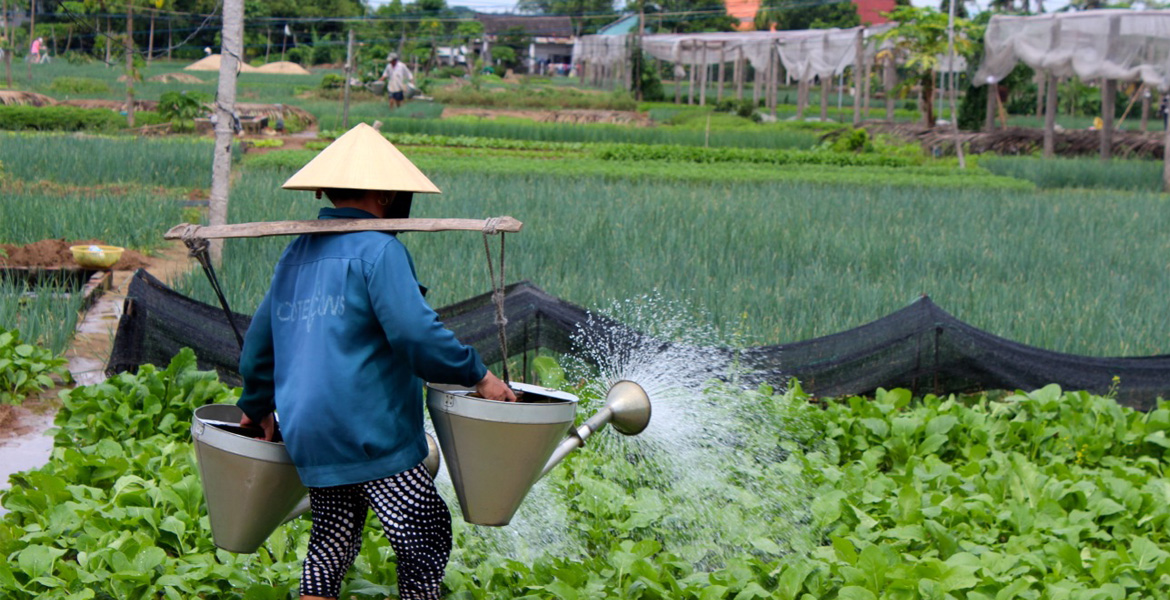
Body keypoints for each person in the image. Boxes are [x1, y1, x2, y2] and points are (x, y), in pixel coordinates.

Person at [236, 122, 516, 600]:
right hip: (368, 428)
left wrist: (256, 403)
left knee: (332, 537)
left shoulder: (295, 254)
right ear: (388, 196)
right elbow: (415, 335)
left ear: (328, 190)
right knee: (424, 531)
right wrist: (479, 375)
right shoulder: (380, 250)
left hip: (310, 429)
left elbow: (260, 344)